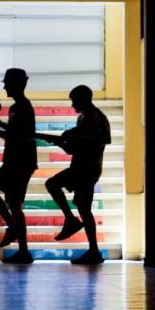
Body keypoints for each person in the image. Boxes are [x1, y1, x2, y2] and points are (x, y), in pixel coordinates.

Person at [35, 84, 111, 265]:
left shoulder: (96, 117)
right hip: (81, 166)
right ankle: (93, 250)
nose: (72, 105)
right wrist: (62, 142)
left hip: (87, 169)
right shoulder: (83, 117)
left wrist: (71, 137)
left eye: (74, 101)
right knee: (84, 209)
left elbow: (101, 140)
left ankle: (72, 222)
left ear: (84, 99)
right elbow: (74, 148)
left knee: (53, 185)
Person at [0, 68, 36, 264]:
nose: (4, 87)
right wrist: (0, 124)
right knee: (15, 206)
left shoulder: (21, 107)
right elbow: (15, 131)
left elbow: (13, 136)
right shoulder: (19, 107)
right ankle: (23, 250)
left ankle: (13, 228)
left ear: (16, 84)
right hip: (19, 161)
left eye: (7, 83)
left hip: (18, 162)